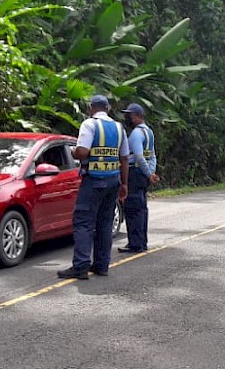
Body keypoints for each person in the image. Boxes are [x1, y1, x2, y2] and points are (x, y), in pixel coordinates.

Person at [57, 94, 129, 279]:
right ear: (107, 109)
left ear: (91, 108)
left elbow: (82, 152)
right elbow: (124, 158)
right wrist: (125, 183)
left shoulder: (89, 124)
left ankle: (81, 266)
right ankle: (102, 265)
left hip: (94, 181)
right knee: (104, 223)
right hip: (113, 181)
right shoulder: (119, 128)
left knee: (83, 223)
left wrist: (72, 151)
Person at [118, 102, 160, 253]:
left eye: (129, 115)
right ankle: (141, 241)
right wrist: (151, 173)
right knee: (142, 208)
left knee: (133, 208)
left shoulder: (136, 133)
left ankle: (135, 244)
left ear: (137, 116)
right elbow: (153, 156)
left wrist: (149, 174)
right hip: (143, 174)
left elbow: (139, 157)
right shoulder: (149, 132)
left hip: (135, 173)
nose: (127, 118)